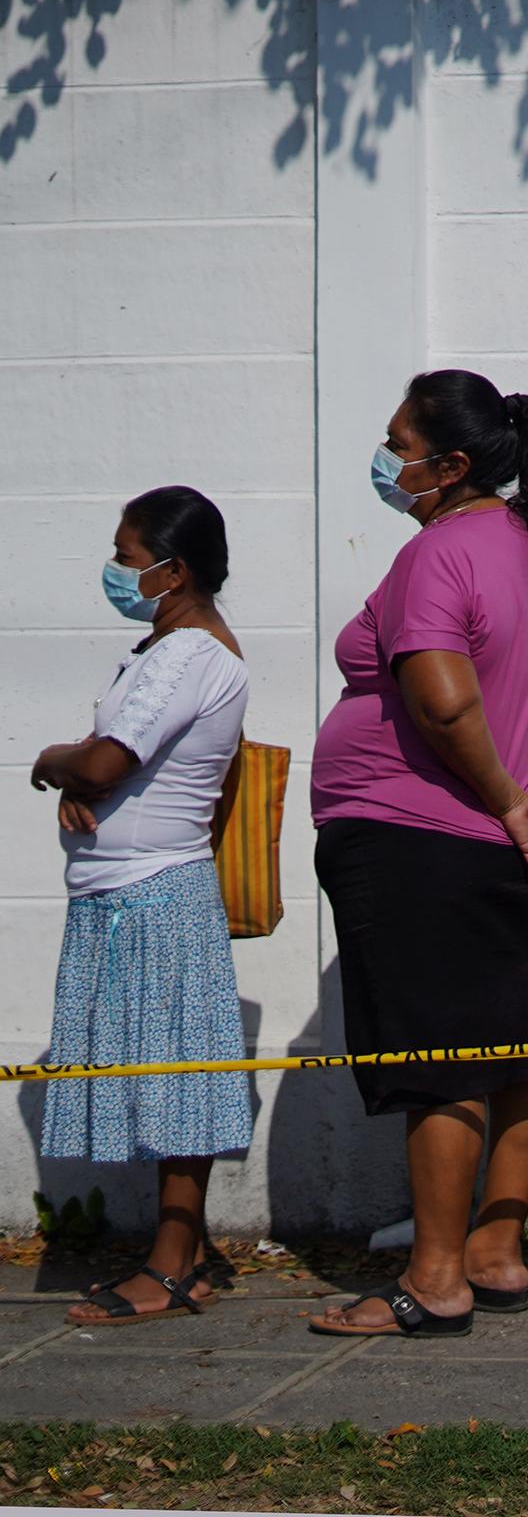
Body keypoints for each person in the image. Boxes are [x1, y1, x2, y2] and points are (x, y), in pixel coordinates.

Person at [308, 372, 528, 1339]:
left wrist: (511, 801)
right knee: (521, 1042)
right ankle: (495, 1250)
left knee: (441, 1058)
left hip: (423, 836)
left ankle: (436, 1278)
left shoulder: (441, 551)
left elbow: (441, 698)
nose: (389, 460)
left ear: (453, 464)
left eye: (400, 443)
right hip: (522, 836)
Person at [27, 488, 255, 1327]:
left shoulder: (189, 655)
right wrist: (79, 779)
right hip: (122, 891)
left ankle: (170, 1264)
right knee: (156, 1075)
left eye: (127, 559)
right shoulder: (161, 650)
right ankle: (180, 1255)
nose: (117, 572)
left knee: (171, 1082)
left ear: (174, 569)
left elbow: (108, 761)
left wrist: (55, 762)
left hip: (152, 894)